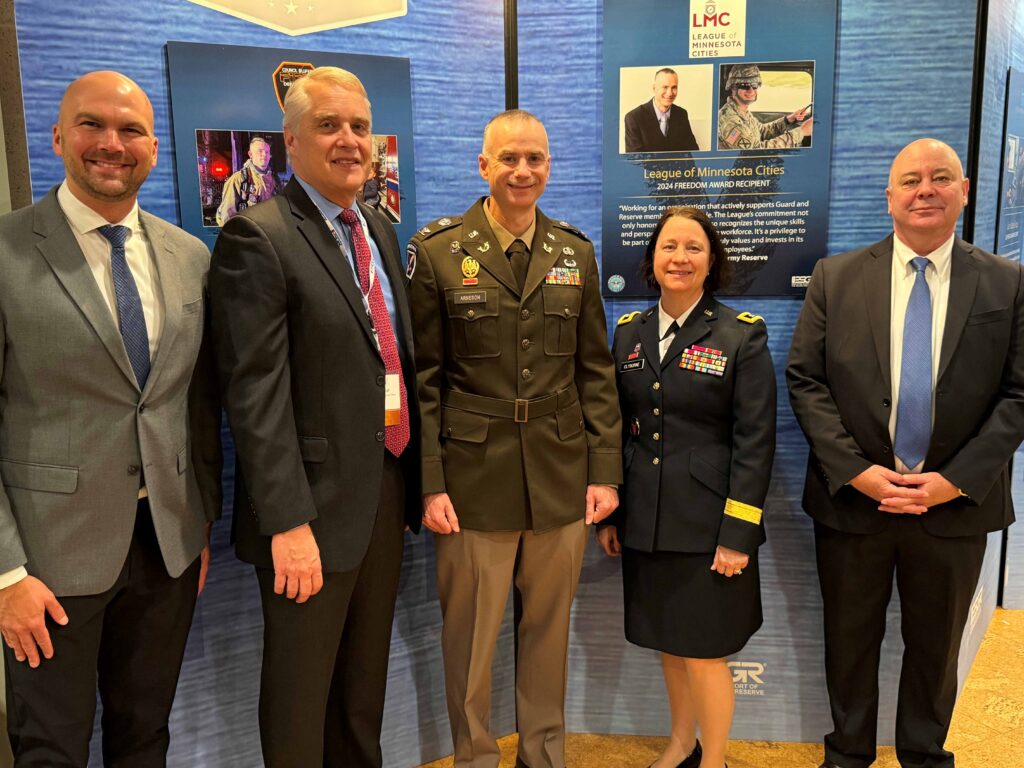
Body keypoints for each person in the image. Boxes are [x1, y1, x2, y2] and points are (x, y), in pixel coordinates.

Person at [0, 70, 222, 766]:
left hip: (166, 550)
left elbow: (196, 403)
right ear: (60, 135)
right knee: (50, 747)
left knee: (144, 735)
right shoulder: (6, 252)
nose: (111, 144)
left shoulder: (190, 257)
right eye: (92, 125)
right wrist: (6, 574)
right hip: (47, 563)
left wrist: (198, 521)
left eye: (130, 131)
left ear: (153, 148)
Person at [786, 138, 1024, 768]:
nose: (926, 190)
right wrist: (857, 472)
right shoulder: (836, 278)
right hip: (854, 504)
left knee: (934, 651)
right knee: (849, 644)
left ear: (964, 190)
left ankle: (922, 756)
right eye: (911, 180)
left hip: (953, 508)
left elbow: (1018, 394)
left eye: (940, 178)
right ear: (889, 197)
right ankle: (847, 757)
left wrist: (956, 479)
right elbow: (805, 380)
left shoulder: (1007, 281)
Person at [209, 67, 421, 767]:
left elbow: (392, 366)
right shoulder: (258, 237)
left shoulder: (382, 232)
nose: (350, 140)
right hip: (309, 514)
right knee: (301, 700)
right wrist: (288, 522)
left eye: (359, 127)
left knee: (362, 694)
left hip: (383, 495)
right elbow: (255, 395)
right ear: (290, 141)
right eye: (329, 126)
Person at [407, 109, 622, 768]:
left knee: (547, 634)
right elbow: (424, 381)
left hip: (560, 472)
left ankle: (543, 755)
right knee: (470, 641)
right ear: (484, 166)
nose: (522, 171)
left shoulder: (574, 252)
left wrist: (605, 471)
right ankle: (474, 757)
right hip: (473, 480)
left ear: (548, 166)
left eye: (535, 158)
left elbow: (595, 370)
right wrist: (431, 483)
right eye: (509, 159)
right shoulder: (439, 251)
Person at [598, 207, 776, 768]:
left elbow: (756, 442)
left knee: (704, 655)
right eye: (669, 246)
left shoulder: (740, 334)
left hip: (708, 527)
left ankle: (715, 758)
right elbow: (614, 429)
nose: (680, 257)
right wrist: (611, 515)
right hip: (646, 521)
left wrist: (738, 535)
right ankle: (680, 744)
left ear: (712, 261)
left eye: (693, 248)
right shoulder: (628, 332)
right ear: (652, 259)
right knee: (670, 647)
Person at [717, 64, 812, 150]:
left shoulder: (742, 112)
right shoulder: (728, 120)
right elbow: (754, 152)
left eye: (754, 85)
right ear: (733, 88)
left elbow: (762, 132)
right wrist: (801, 132)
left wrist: (788, 120)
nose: (751, 91)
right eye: (745, 85)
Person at [624, 68, 700, 153]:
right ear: (654, 88)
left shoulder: (681, 114)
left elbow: (693, 152)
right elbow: (634, 161)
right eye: (665, 87)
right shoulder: (634, 118)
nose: (670, 93)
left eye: (674, 87)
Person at [214, 135, 281, 226]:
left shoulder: (275, 180)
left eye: (267, 152)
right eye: (260, 151)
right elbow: (227, 217)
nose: (264, 155)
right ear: (250, 154)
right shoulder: (238, 179)